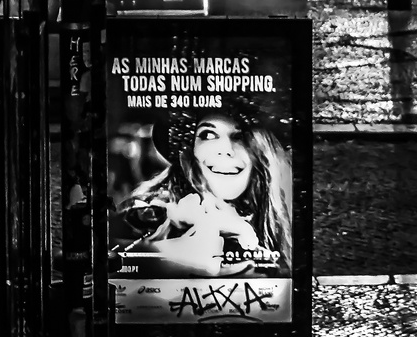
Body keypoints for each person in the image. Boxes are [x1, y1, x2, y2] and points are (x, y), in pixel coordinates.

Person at [115, 104, 294, 278]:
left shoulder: (280, 221)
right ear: (189, 151)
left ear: (262, 152)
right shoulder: (151, 213)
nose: (225, 150)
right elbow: (109, 252)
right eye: (208, 135)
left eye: (240, 136)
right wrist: (163, 257)